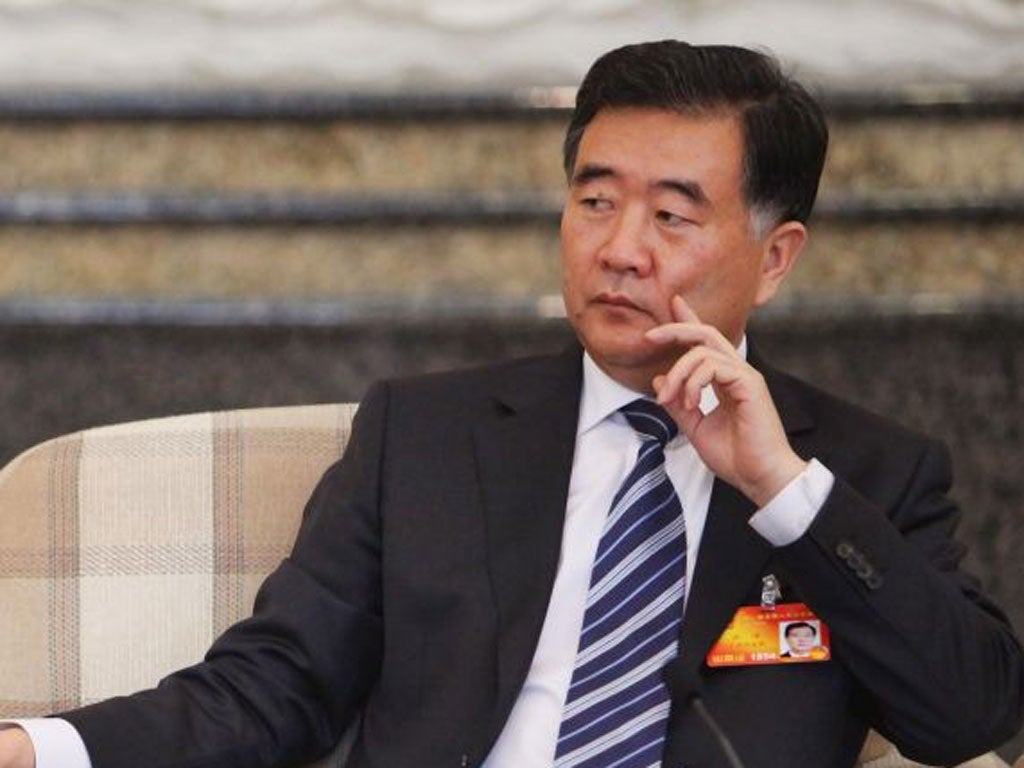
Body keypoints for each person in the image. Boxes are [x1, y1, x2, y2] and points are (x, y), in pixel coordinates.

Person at [1, 39, 1022, 768]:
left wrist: (782, 489)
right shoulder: (424, 437)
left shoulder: (866, 474)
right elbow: (276, 687)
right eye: (594, 201)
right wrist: (39, 749)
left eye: (671, 216)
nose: (619, 248)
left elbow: (966, 715)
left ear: (775, 257)